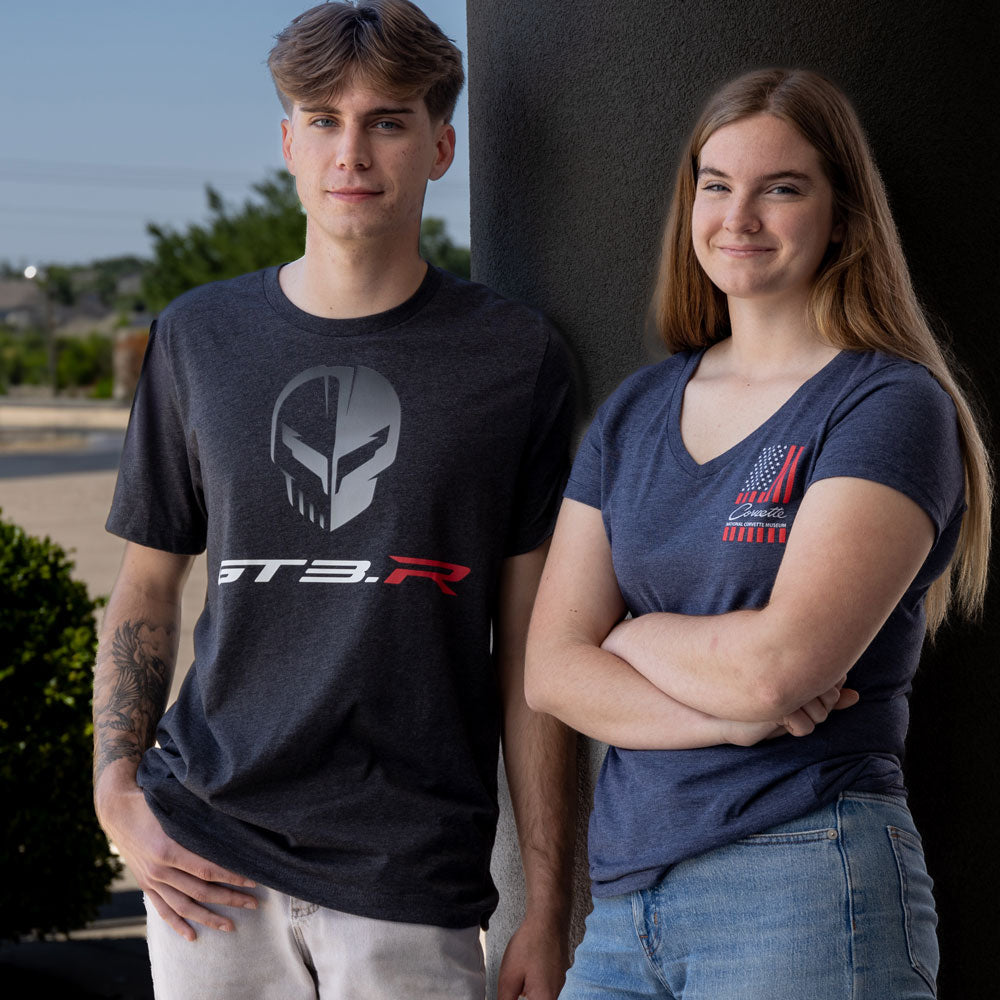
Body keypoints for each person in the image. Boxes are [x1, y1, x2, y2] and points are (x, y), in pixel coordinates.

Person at [92, 3, 575, 998]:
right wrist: (115, 793)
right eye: (322, 118)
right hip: (205, 854)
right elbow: (146, 584)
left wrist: (546, 899)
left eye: (387, 120)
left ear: (441, 146)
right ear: (286, 142)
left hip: (410, 865)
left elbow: (530, 646)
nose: (351, 150)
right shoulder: (197, 337)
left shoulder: (513, 357)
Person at [525, 68, 992, 999]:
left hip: (805, 877)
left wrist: (633, 635)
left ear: (844, 217)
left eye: (781, 187)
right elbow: (549, 671)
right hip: (625, 908)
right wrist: (734, 718)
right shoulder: (636, 412)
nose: (738, 216)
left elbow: (780, 669)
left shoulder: (886, 405)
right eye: (716, 184)